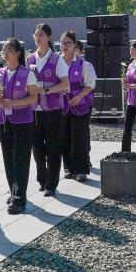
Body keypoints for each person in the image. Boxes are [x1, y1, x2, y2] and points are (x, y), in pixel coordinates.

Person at [0, 38, 39, 214]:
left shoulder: (27, 73)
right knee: (8, 159)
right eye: (3, 51)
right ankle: (13, 191)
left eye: (9, 51)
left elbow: (33, 97)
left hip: (23, 121)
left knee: (21, 159)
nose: (5, 54)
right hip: (4, 121)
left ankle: (19, 198)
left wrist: (13, 103)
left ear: (18, 53)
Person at [26, 23, 70, 198]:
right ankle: (42, 179)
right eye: (36, 35)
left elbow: (65, 84)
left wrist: (45, 90)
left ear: (49, 37)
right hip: (34, 109)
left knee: (53, 147)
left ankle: (51, 184)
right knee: (37, 147)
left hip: (52, 109)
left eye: (41, 35)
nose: (38, 38)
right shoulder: (29, 59)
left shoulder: (57, 60)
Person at [59, 31, 95, 182]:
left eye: (68, 43)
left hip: (80, 105)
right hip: (61, 106)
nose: (65, 46)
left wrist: (79, 96)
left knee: (79, 137)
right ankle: (68, 168)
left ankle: (81, 170)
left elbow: (90, 84)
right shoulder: (56, 63)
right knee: (64, 136)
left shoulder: (83, 64)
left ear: (74, 45)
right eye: (63, 43)